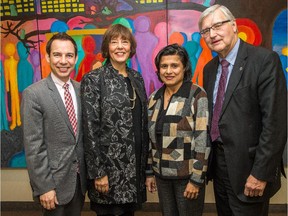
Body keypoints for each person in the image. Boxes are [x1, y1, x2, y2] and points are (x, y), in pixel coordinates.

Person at [199, 5, 287, 216]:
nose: (212, 34)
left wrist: (260, 173)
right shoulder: (209, 69)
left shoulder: (264, 61)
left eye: (218, 25)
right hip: (219, 166)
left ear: (234, 26)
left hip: (250, 168)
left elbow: (275, 123)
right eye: (205, 31)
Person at [81, 24, 149, 216]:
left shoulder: (137, 78)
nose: (120, 46)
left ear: (131, 47)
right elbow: (90, 129)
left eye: (124, 41)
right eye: (114, 41)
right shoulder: (94, 79)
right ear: (107, 47)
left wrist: (146, 170)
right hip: (108, 173)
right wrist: (98, 172)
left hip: (134, 170)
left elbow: (143, 125)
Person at [21, 32, 87, 216]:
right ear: (48, 57)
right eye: (57, 55)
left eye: (69, 55)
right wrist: (44, 187)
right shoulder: (33, 94)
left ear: (75, 58)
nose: (63, 61)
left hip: (79, 182)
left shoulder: (82, 90)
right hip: (53, 184)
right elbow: (34, 146)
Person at [145, 44, 210, 216]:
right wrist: (149, 172)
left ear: (184, 68)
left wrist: (196, 180)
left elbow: (203, 139)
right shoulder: (153, 98)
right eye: (164, 66)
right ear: (158, 70)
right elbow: (149, 139)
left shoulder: (196, 95)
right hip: (162, 177)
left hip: (187, 176)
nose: (168, 71)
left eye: (174, 66)